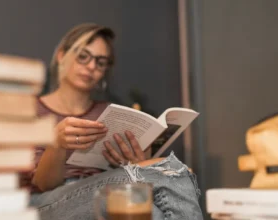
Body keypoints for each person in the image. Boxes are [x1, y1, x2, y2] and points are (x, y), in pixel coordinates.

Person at [22, 23, 203, 220]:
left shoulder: (110, 112)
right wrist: (56, 144)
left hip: (101, 194)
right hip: (45, 203)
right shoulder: (31, 110)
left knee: (152, 212)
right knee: (171, 170)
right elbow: (43, 185)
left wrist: (136, 162)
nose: (91, 66)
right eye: (83, 56)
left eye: (100, 62)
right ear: (61, 55)